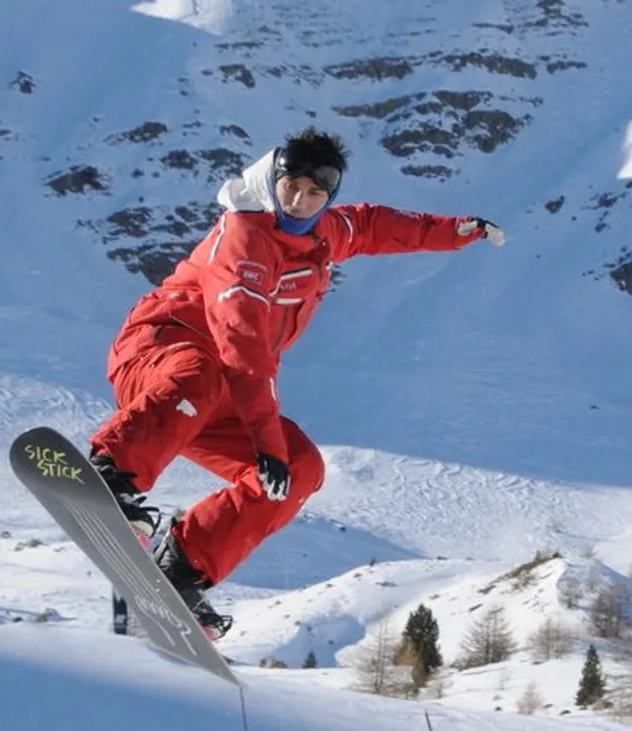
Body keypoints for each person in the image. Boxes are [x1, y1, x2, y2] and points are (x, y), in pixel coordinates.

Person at [86, 126, 507, 638]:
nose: (299, 202)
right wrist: (264, 440)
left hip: (220, 393)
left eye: (315, 194)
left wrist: (456, 231)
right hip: (161, 353)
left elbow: (376, 225)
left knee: (299, 468)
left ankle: (178, 571)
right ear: (273, 178)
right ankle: (110, 475)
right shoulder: (244, 236)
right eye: (291, 187)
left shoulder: (325, 231)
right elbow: (240, 341)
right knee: (204, 374)